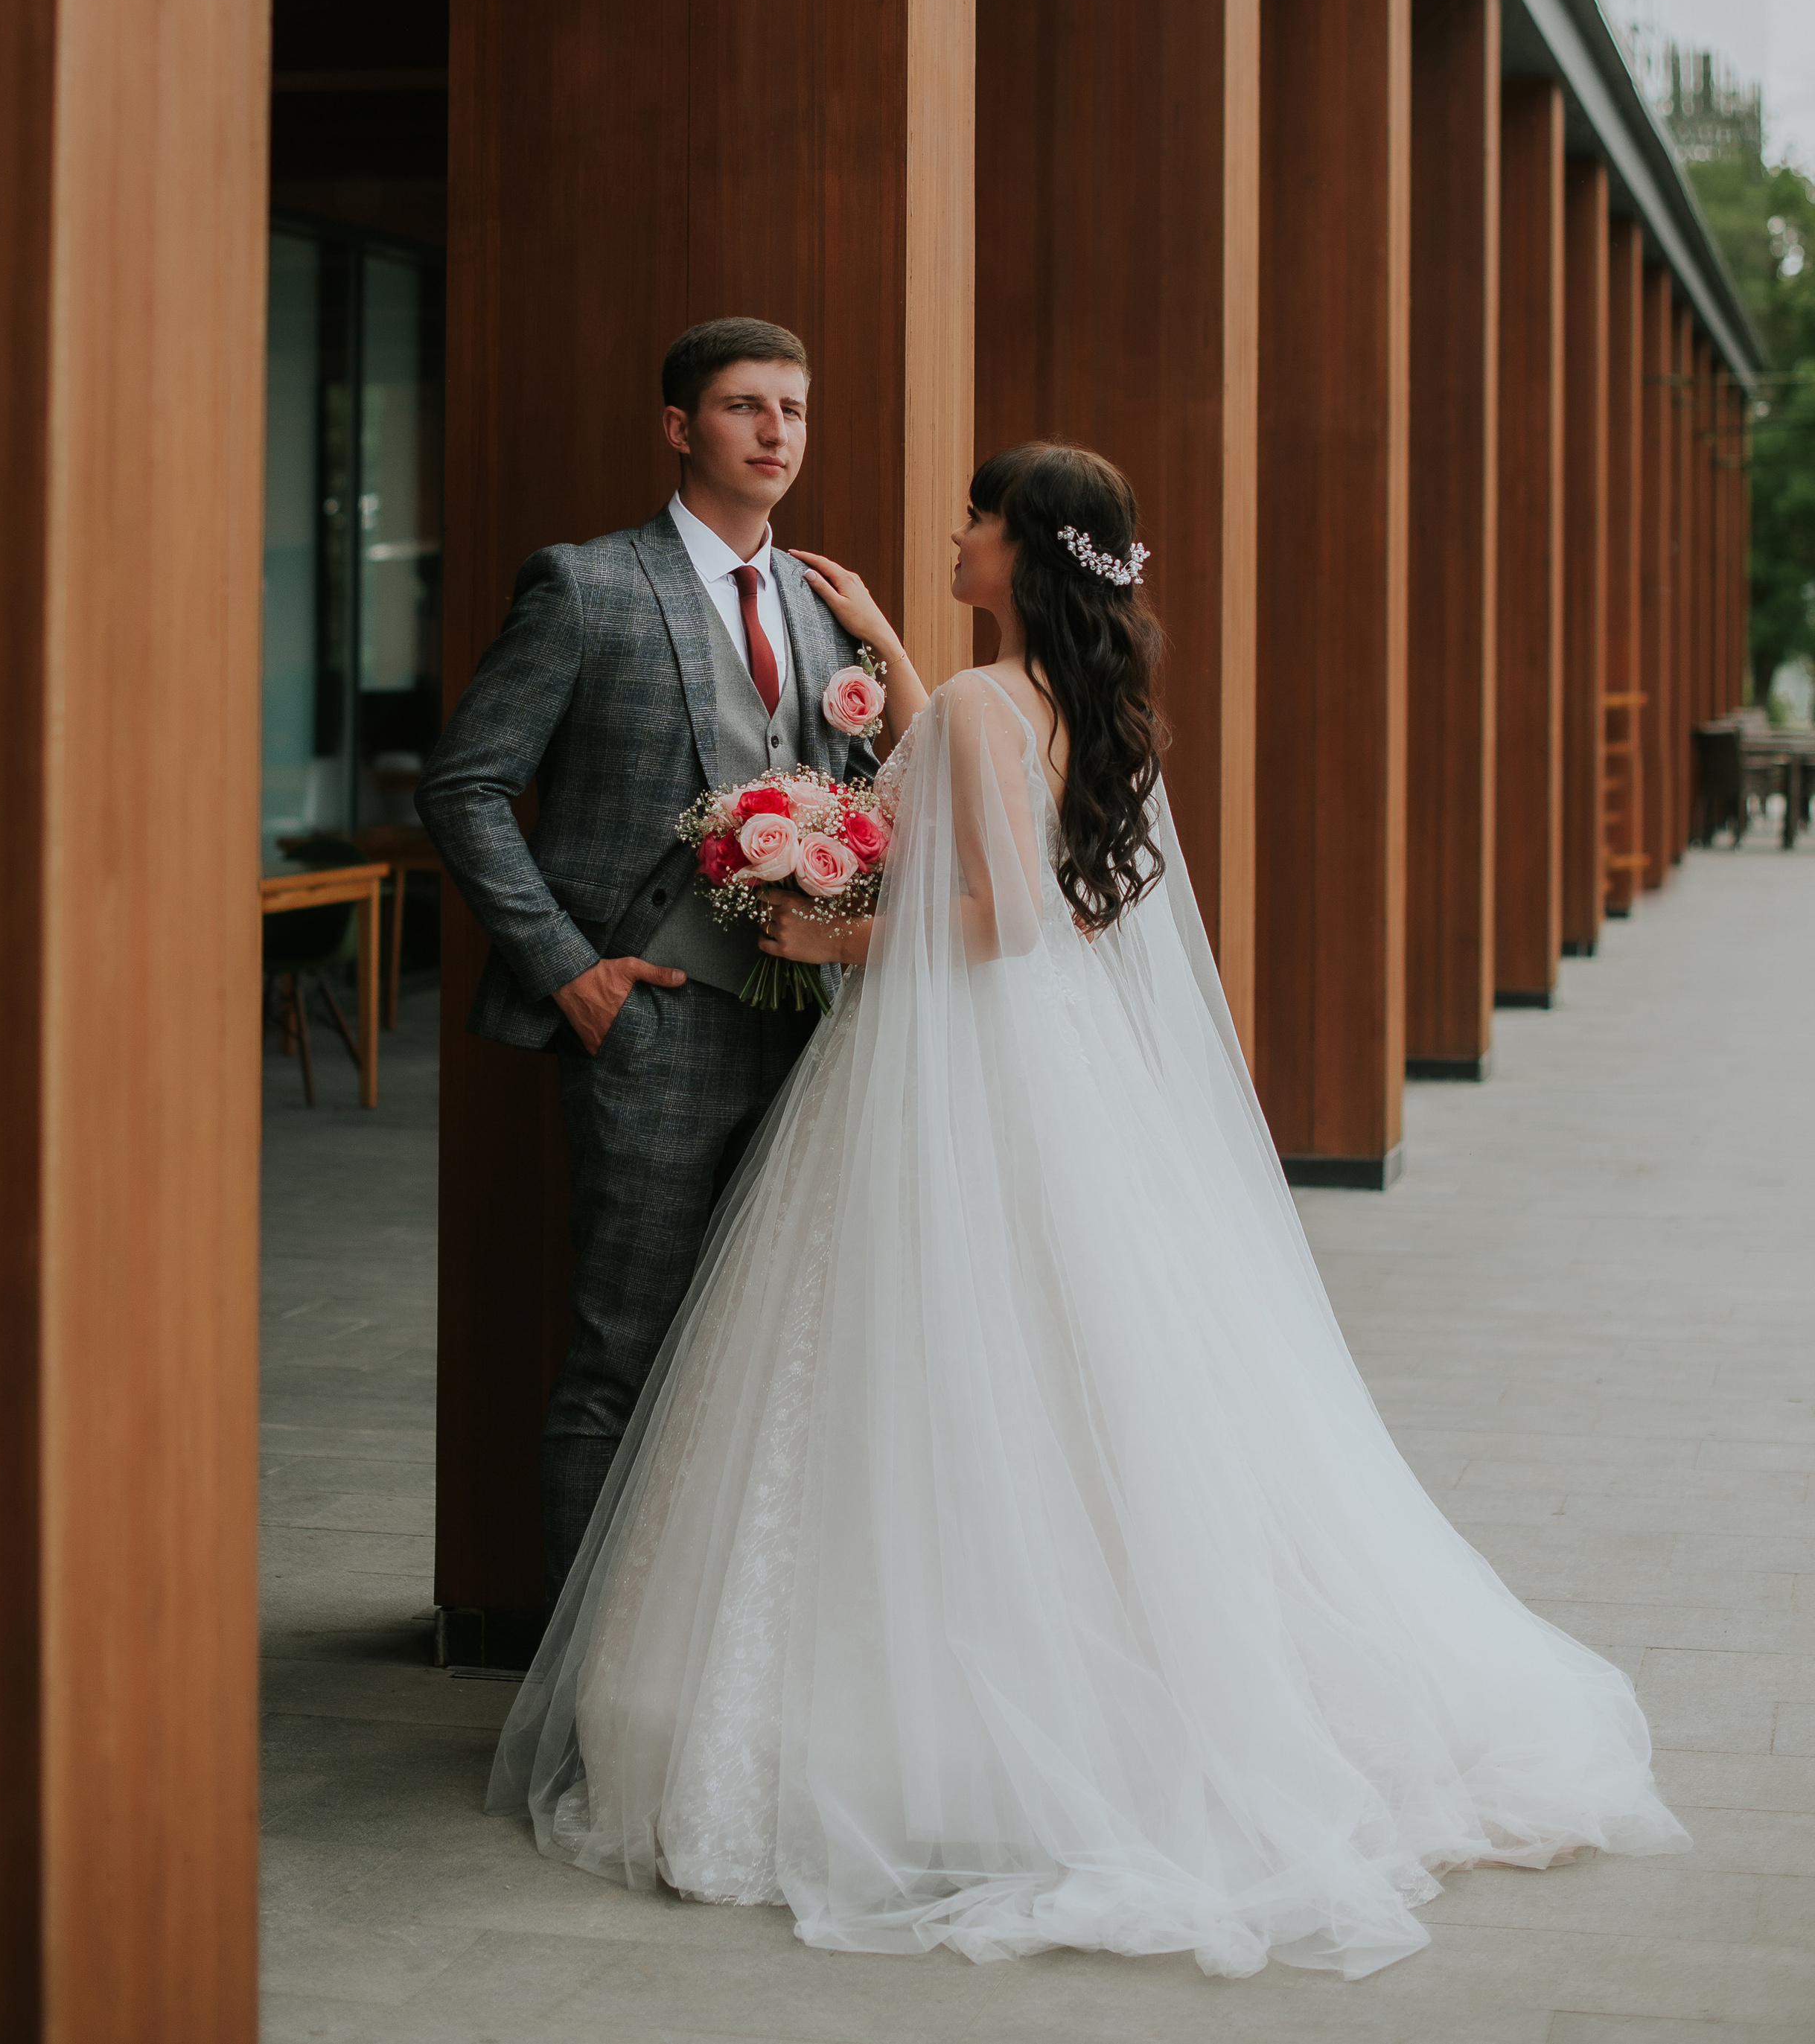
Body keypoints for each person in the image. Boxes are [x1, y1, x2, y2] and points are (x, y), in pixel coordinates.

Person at [485, 438, 1690, 1978]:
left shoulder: (992, 710)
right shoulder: (1051, 702)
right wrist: (899, 662)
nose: (953, 531)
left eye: (973, 518)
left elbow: (993, 917)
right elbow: (998, 818)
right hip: (1043, 1070)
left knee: (927, 1358)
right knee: (1068, 1365)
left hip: (950, 1057)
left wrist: (817, 929)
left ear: (1023, 547)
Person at [415, 318, 878, 1597]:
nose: (777, 431)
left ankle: (710, 1670)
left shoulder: (823, 604)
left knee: (772, 1362)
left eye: (793, 406)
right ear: (682, 429)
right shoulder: (587, 584)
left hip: (810, 1035)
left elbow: (869, 791)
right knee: (621, 1359)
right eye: (745, 406)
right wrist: (574, 969)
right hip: (653, 1029)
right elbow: (465, 784)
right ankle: (579, 1709)